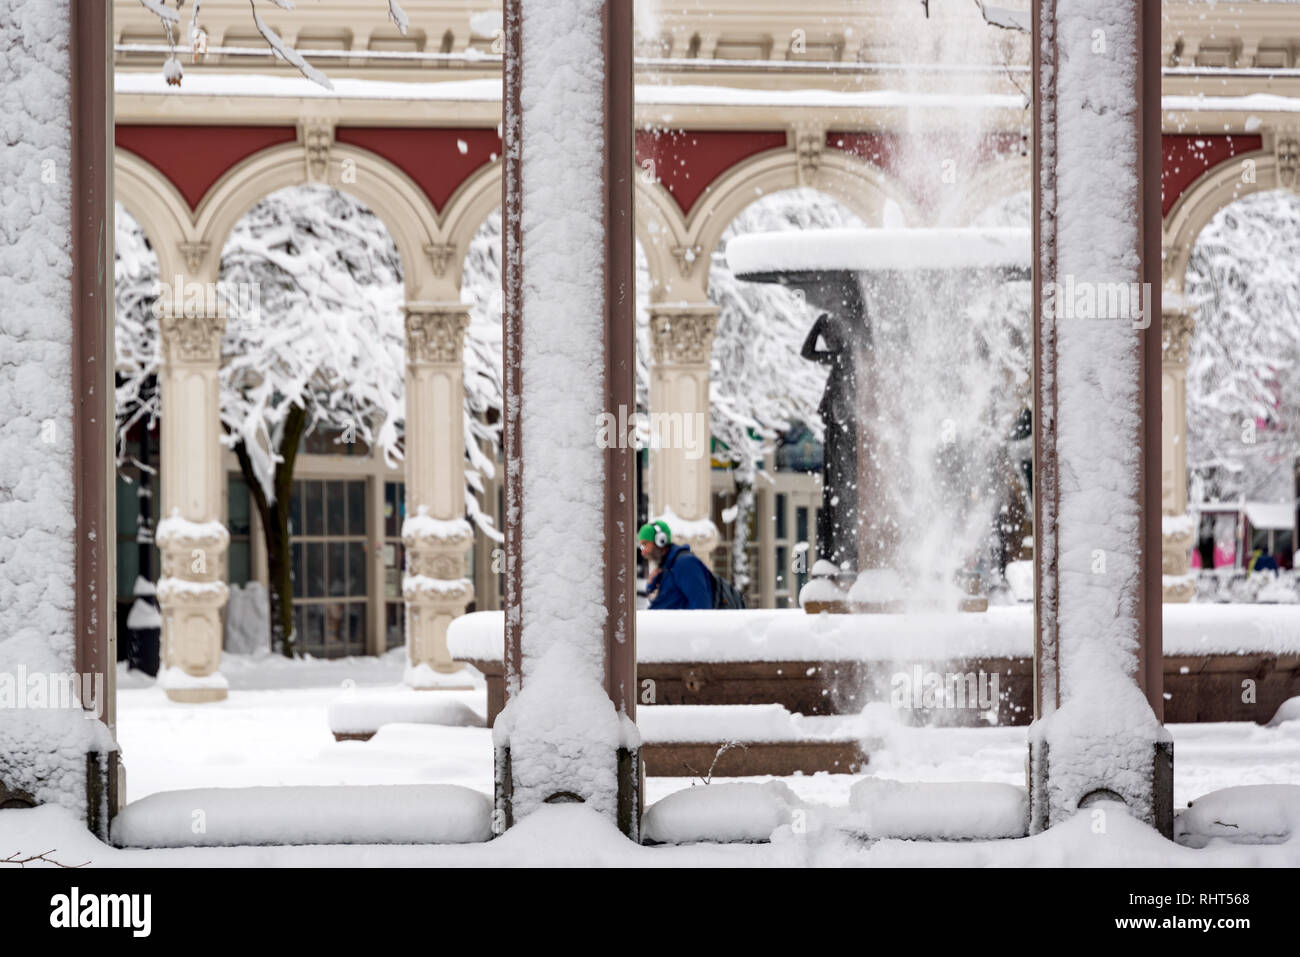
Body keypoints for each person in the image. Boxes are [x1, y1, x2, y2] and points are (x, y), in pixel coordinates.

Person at [639, 520, 713, 610]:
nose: (643, 552)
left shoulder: (685, 564)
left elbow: (702, 607)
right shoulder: (666, 568)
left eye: (645, 544)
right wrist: (650, 587)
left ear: (661, 540)